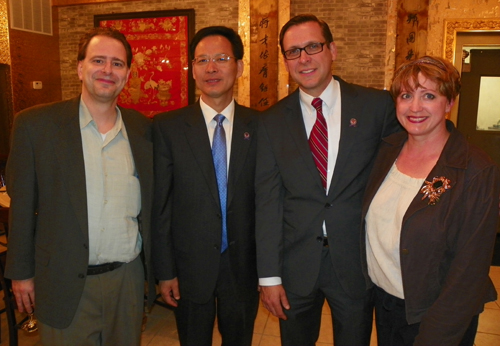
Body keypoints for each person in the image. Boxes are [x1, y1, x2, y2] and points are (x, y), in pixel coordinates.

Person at [255, 14, 401, 346]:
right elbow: (267, 202)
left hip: (355, 262)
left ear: (332, 50)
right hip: (295, 267)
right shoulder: (272, 121)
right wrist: (269, 276)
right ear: (285, 61)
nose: (303, 58)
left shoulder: (376, 107)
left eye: (312, 47)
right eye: (293, 52)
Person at [5, 27, 156, 345]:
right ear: (80, 67)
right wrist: (21, 272)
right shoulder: (36, 126)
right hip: (63, 279)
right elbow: (20, 205)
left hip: (127, 280)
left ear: (127, 75)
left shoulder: (143, 129)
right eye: (98, 60)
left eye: (117, 63)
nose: (107, 70)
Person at [361, 55, 500, 345]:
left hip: (439, 316)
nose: (415, 107)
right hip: (386, 304)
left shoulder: (475, 170)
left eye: (429, 95)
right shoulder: (385, 151)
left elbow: (469, 271)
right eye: (406, 95)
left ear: (449, 103)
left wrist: (436, 336)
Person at [152, 26, 259, 346]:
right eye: (202, 60)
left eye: (221, 59)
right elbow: (161, 206)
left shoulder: (261, 126)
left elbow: (269, 202)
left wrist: (269, 270)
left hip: (243, 267)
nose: (211, 68)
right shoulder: (167, 127)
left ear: (239, 67)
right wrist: (165, 270)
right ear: (193, 70)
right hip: (188, 268)